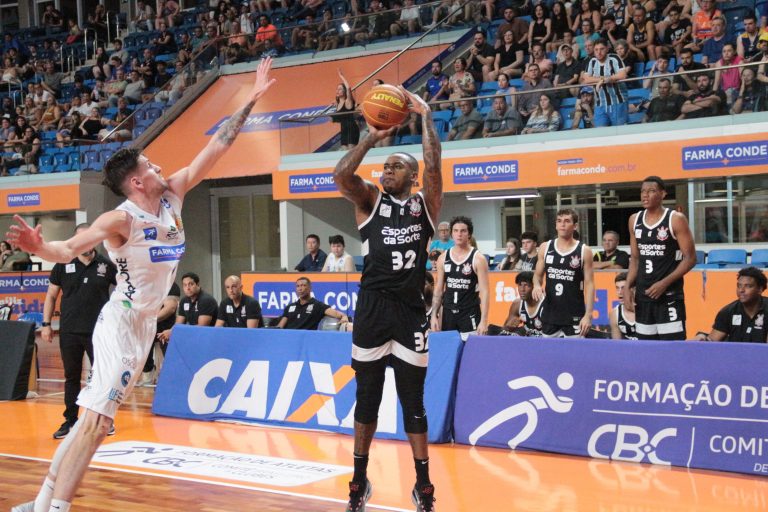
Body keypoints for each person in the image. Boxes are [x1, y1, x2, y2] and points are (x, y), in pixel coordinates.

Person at [8, 57, 276, 512]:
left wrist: (250, 98)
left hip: (145, 327)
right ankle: (56, 508)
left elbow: (218, 147)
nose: (159, 166)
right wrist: (40, 247)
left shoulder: (173, 194)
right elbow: (68, 249)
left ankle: (40, 503)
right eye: (150, 165)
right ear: (136, 182)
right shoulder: (121, 220)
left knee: (90, 424)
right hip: (120, 321)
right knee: (96, 424)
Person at [333, 85, 440, 511]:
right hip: (373, 309)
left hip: (410, 312)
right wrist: (369, 138)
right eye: (386, 166)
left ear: (412, 176)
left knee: (413, 402)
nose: (387, 170)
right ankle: (358, 481)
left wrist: (427, 118)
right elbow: (341, 177)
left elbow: (434, 167)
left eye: (396, 166)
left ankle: (423, 485)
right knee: (367, 399)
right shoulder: (370, 201)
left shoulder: (424, 205)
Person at [42, 223, 117, 439]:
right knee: (71, 376)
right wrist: (46, 324)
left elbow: (124, 290)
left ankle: (103, 420)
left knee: (102, 377)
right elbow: (51, 295)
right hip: (69, 331)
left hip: (99, 332)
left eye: (88, 238)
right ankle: (70, 420)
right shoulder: (63, 264)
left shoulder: (106, 265)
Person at [626, 175, 696, 340]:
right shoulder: (634, 220)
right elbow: (635, 259)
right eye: (643, 191)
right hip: (643, 295)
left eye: (651, 191)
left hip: (669, 295)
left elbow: (690, 258)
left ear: (663, 194)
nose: (645, 195)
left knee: (672, 347)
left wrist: (664, 283)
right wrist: (627, 286)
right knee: (646, 347)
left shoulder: (675, 219)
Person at [532, 208, 595, 337]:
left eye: (567, 221)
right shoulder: (545, 247)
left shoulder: (584, 251)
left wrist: (588, 315)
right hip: (550, 312)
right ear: (555, 225)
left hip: (574, 313)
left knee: (574, 350)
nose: (562, 224)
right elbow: (537, 276)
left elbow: (589, 284)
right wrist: (537, 285)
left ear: (575, 226)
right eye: (559, 221)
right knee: (548, 349)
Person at [430, 216, 490, 341]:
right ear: (451, 234)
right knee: (449, 350)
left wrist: (484, 321)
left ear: (469, 234)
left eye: (463, 231)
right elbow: (439, 289)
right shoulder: (443, 258)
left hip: (469, 312)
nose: (459, 234)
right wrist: (434, 315)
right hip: (448, 313)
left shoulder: (478, 259)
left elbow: (485, 291)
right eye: (456, 231)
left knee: (471, 350)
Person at [693, 266, 768, 343]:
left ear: (760, 289)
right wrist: (702, 337)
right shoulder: (728, 311)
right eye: (739, 286)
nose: (741, 290)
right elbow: (712, 341)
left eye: (748, 286)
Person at [138, 281, 180, 386]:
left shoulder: (170, 285)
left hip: (164, 327)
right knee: (144, 353)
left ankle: (171, 379)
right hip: (147, 327)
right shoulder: (145, 284)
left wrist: (151, 320)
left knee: (168, 357)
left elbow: (170, 307)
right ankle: (148, 376)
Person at [580, 38, 629, 127]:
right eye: (596, 50)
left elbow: (623, 75)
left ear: (607, 49)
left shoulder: (614, 58)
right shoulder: (592, 61)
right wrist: (603, 79)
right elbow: (586, 79)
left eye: (602, 49)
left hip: (618, 102)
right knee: (601, 132)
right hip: (600, 104)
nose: (599, 52)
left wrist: (603, 80)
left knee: (620, 132)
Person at [276, 277, 348, 329]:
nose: (300, 288)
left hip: (307, 339)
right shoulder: (289, 307)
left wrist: (344, 317)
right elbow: (280, 327)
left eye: (303, 285)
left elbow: (338, 314)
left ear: (310, 288)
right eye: (298, 286)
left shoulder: (318, 305)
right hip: (289, 339)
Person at [503, 271, 544, 336]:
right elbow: (504, 330)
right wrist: (509, 327)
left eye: (526, 285)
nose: (522, 289)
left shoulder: (545, 304)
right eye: (520, 285)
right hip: (527, 341)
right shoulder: (517, 304)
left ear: (534, 287)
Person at [333, 70, 360, 150]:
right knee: (344, 152)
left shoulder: (348, 101)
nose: (338, 91)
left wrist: (341, 76)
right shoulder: (337, 105)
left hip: (352, 129)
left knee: (351, 152)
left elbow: (348, 88)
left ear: (344, 92)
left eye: (340, 89)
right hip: (343, 130)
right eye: (337, 89)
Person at [610, 271, 637, 339]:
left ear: (633, 289)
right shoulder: (614, 314)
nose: (620, 292)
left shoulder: (646, 310)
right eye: (617, 288)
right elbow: (616, 343)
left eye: (623, 288)